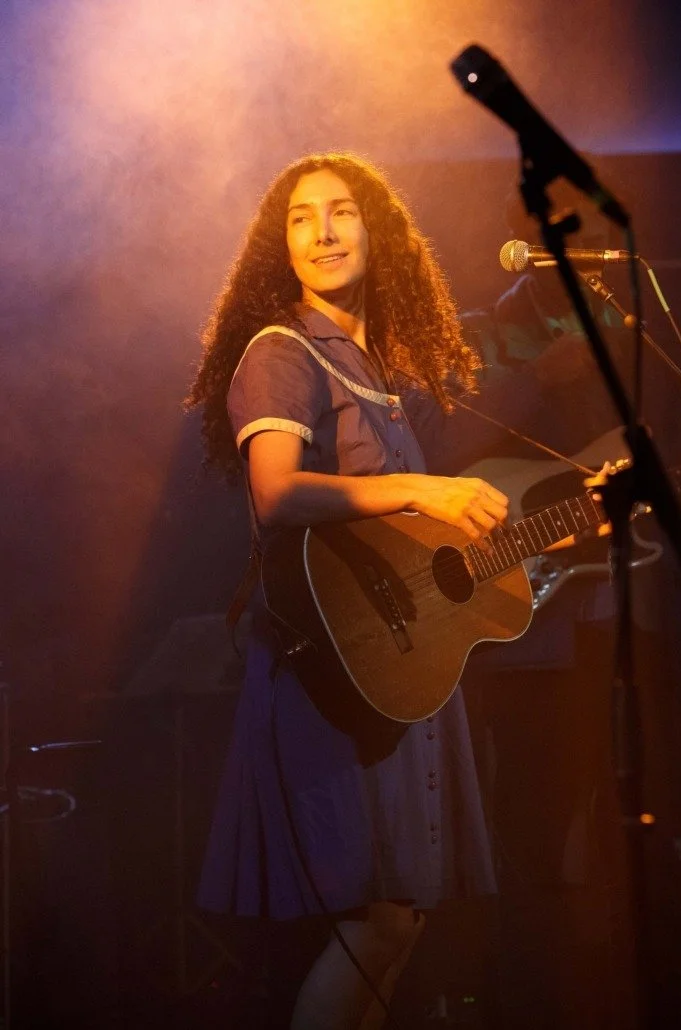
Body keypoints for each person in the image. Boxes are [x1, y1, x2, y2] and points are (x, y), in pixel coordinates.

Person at [186, 151, 552, 1030]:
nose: (321, 231)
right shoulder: (280, 351)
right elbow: (276, 494)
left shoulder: (379, 372)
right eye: (301, 218)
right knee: (376, 922)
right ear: (281, 249)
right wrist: (422, 488)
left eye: (341, 211)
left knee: (397, 922)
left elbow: (405, 548)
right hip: (332, 674)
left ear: (376, 231)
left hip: (395, 668)